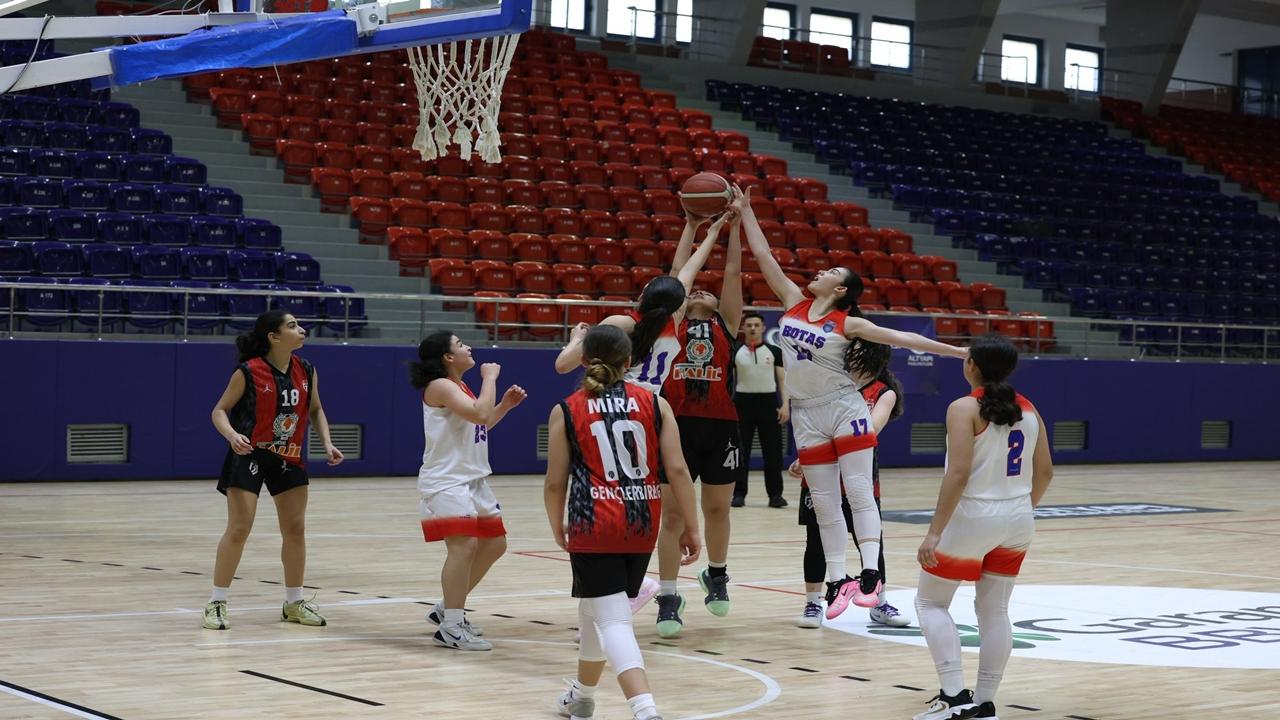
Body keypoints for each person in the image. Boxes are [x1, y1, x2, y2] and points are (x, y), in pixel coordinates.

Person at [737, 185, 967, 619]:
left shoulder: (850, 322)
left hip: (844, 406)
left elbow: (905, 338)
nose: (820, 271)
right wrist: (747, 212)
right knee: (824, 502)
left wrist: (956, 353)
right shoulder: (794, 303)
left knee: (859, 493)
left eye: (830, 271)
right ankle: (839, 580)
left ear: (841, 289)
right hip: (805, 414)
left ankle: (871, 576)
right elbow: (764, 258)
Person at [546, 325, 702, 720]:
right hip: (641, 522)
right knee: (594, 611)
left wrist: (556, 525)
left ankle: (645, 709)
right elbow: (679, 470)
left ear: (583, 360)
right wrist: (691, 525)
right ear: (630, 361)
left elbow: (554, 482)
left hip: (593, 522)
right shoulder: (654, 403)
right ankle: (581, 696)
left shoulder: (567, 408)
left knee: (612, 620)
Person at [912, 334, 1053, 720]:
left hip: (974, 516)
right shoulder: (1029, 408)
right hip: (1019, 516)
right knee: (994, 611)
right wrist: (1019, 508)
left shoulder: (963, 407)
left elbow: (957, 474)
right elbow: (1045, 472)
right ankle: (985, 701)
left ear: (970, 364)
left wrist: (935, 531)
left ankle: (954, 695)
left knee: (930, 602)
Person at [205, 310, 344, 630]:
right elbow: (219, 411)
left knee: (295, 530)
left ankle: (294, 603)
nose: (302, 329)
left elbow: (317, 408)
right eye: (293, 325)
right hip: (250, 453)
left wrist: (326, 442)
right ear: (274, 336)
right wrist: (231, 435)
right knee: (240, 528)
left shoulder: (307, 369)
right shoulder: (249, 371)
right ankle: (216, 601)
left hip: (289, 456)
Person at [652, 202, 744, 637]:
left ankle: (717, 574)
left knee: (717, 508)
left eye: (706, 291)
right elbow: (676, 274)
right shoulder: (671, 323)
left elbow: (730, 276)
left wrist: (735, 228)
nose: (701, 289)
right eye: (693, 291)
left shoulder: (728, 322)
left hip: (722, 426)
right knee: (672, 516)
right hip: (676, 426)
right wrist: (691, 226)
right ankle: (668, 596)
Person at [412, 331, 527, 651]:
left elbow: (479, 424)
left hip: (472, 478)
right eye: (461, 344)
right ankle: (451, 626)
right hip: (447, 481)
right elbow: (478, 412)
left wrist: (503, 405)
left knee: (495, 544)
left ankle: (446, 608)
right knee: (463, 547)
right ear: (448, 358)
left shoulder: (457, 386)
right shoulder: (441, 386)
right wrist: (490, 378)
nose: (468, 347)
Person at [791, 339, 909, 629]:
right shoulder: (826, 386)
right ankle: (812, 603)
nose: (849, 357)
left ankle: (879, 603)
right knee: (816, 541)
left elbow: (871, 428)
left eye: (857, 353)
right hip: (822, 473)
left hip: (859, 476)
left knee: (869, 543)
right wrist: (805, 456)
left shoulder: (884, 392)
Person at [553, 212, 733, 395]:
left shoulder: (619, 324)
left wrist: (577, 337)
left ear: (642, 297)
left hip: (616, 401)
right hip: (649, 405)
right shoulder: (675, 321)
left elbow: (563, 365)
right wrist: (712, 233)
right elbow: (686, 272)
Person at [732, 311, 788, 508]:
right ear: (743, 328)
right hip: (742, 404)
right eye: (749, 325)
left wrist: (785, 404)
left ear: (763, 328)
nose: (753, 328)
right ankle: (738, 494)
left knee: (773, 453)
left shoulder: (774, 351)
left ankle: (775, 495)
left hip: (768, 404)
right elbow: (728, 380)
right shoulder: (735, 350)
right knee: (741, 452)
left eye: (756, 325)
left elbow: (782, 379)